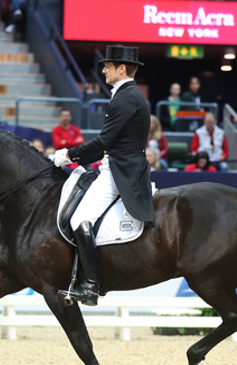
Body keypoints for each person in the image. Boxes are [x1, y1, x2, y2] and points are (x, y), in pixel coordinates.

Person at [52, 45, 153, 306]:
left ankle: (90, 285)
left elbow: (104, 140)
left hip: (120, 171)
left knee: (80, 218)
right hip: (122, 164)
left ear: (121, 69)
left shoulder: (124, 97)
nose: (103, 69)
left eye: (107, 66)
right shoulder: (129, 95)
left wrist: (69, 155)